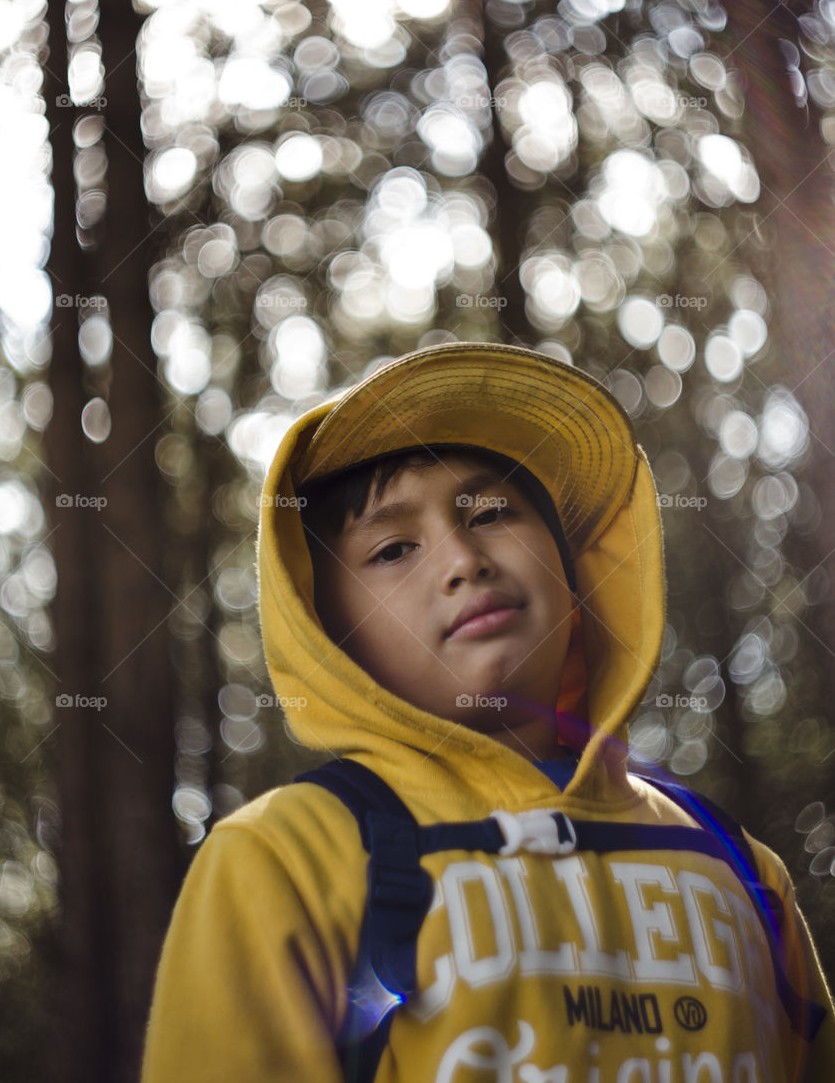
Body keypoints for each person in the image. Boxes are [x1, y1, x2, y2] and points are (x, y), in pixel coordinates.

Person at [140, 341, 835, 1083]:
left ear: (573, 576)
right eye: (394, 548)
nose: (462, 558)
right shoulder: (284, 858)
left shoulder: (738, 864)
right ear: (329, 632)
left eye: (493, 511)